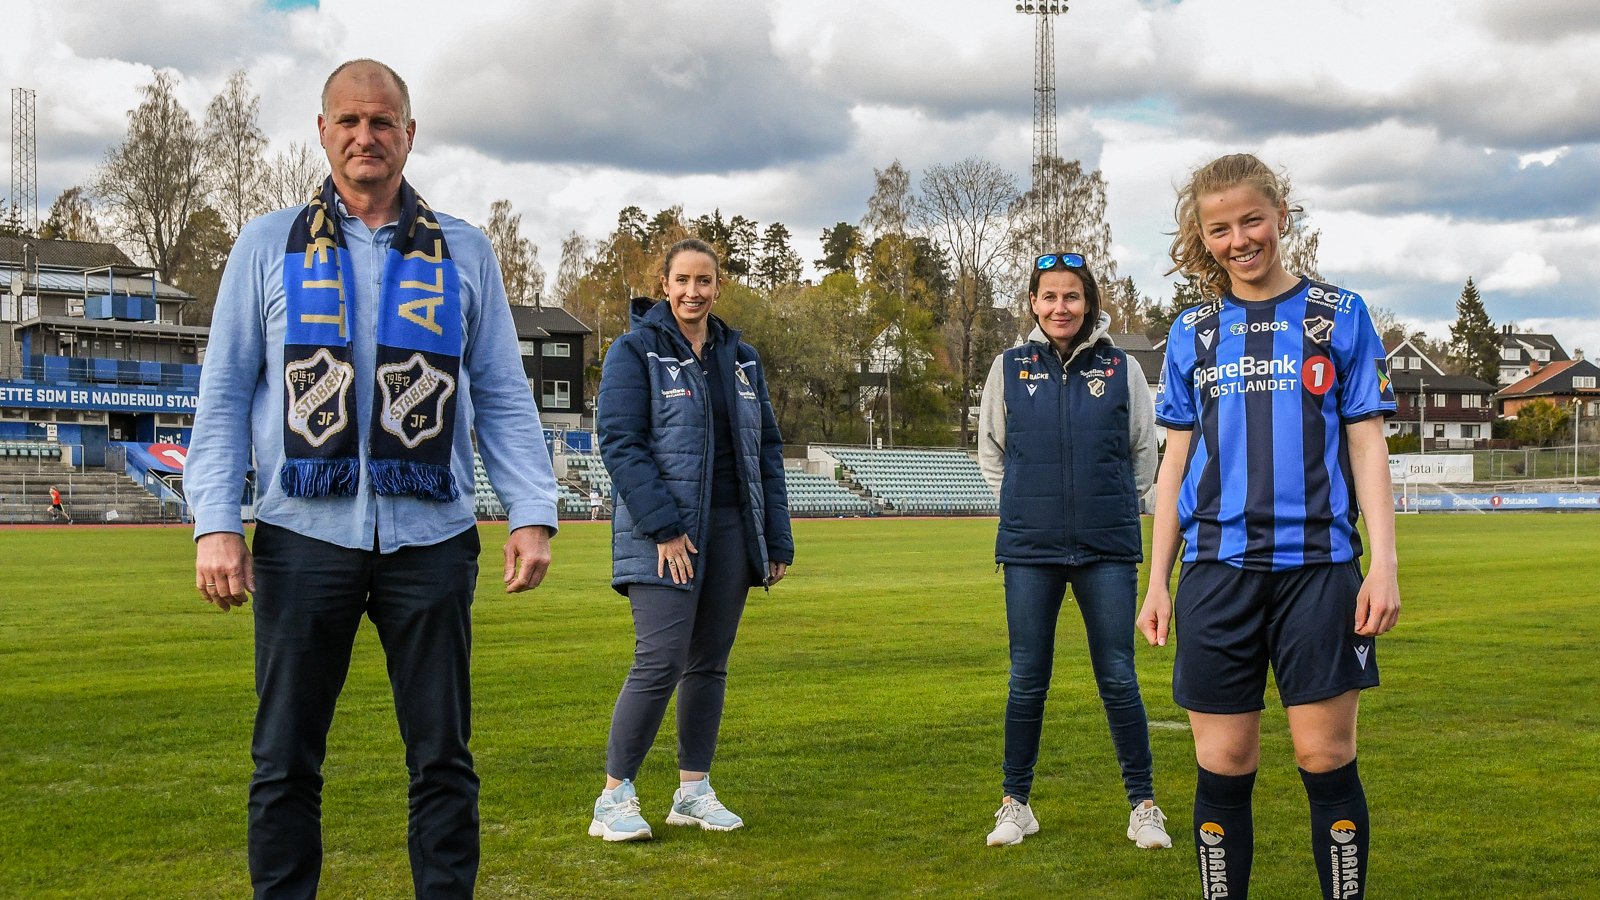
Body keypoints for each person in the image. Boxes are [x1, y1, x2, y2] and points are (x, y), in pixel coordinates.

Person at [185, 59, 559, 899]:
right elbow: (222, 395)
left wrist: (531, 509)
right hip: (299, 536)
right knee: (283, 760)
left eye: (383, 122)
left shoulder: (464, 250)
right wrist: (216, 521)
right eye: (349, 121)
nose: (366, 136)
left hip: (430, 539)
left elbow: (500, 392)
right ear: (322, 132)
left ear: (409, 134)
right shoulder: (266, 245)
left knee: (442, 760)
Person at [1137, 153, 1400, 900]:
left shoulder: (1339, 315)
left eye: (1252, 219)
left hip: (1320, 571)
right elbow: (1174, 467)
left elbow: (1366, 442)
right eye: (1219, 228)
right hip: (1216, 573)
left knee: (1325, 759)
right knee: (1224, 765)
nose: (1239, 239)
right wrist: (1157, 581)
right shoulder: (1193, 331)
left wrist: (1382, 564)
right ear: (1203, 236)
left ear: (1281, 215)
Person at [588, 238, 793, 842]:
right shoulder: (634, 351)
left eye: (704, 281)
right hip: (665, 536)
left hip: (733, 532)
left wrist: (774, 538)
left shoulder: (743, 358)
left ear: (718, 287)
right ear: (664, 282)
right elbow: (620, 443)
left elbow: (768, 452)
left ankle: (693, 792)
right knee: (660, 660)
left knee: (709, 665)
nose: (692, 292)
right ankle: (614, 797)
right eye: (681, 280)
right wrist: (665, 529)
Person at [976, 252, 1169, 849]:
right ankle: (1016, 803)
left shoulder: (1123, 369)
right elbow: (992, 454)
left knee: (1118, 677)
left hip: (1107, 547)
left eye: (1072, 297)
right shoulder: (1008, 367)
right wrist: (1028, 508)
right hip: (1031, 550)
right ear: (1033, 303)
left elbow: (1144, 454)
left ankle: (1143, 805)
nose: (1061, 307)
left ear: (1089, 303)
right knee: (1027, 679)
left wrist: (1109, 506)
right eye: (1049, 297)